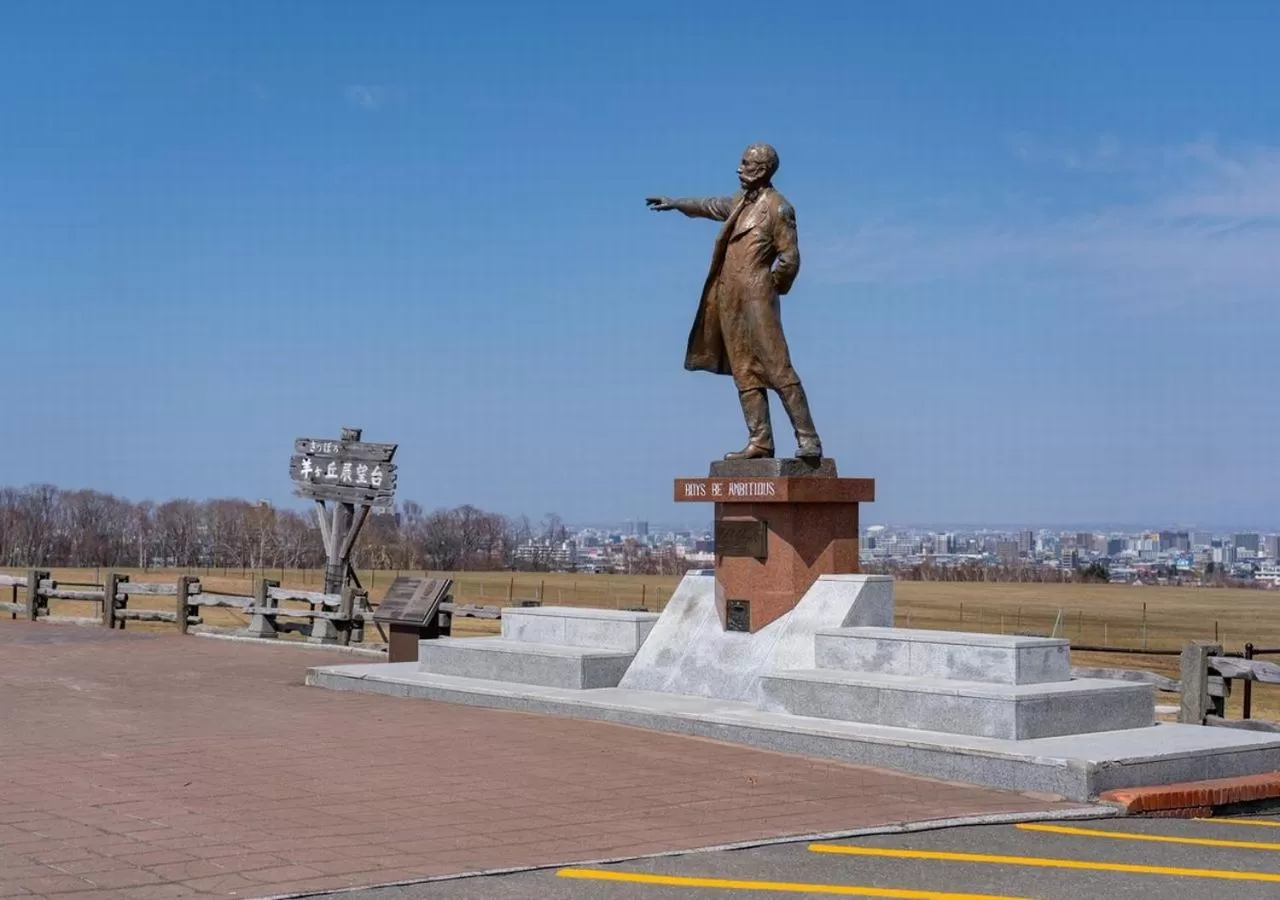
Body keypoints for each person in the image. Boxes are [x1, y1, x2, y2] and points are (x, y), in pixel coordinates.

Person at [647, 143, 822, 460]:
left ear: (763, 169)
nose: (739, 168)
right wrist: (675, 203)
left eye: (746, 163)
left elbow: (790, 258)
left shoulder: (779, 208)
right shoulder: (740, 201)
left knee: (777, 366)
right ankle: (760, 440)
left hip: (757, 296)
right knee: (744, 370)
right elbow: (710, 205)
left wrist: (769, 287)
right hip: (729, 297)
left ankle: (808, 439)